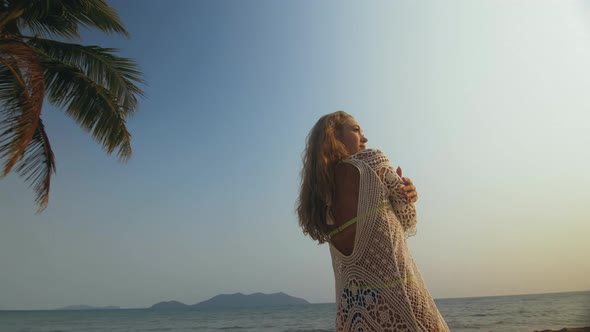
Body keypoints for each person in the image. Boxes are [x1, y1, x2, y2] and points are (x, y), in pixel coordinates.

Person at [297, 111, 450, 332]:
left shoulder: (320, 197)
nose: (364, 138)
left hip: (352, 313)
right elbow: (407, 220)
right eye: (356, 130)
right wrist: (409, 196)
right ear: (334, 135)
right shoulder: (370, 161)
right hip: (399, 300)